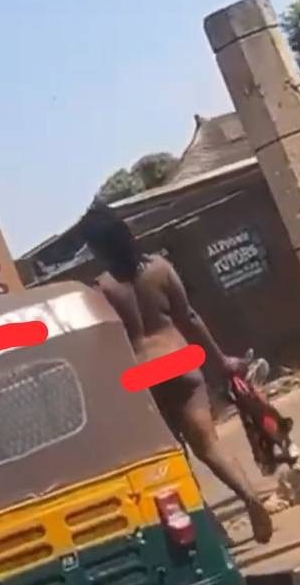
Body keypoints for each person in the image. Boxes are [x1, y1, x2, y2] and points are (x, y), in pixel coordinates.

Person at [78, 202, 273, 544]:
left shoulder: (102, 288)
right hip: (180, 360)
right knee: (209, 445)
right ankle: (250, 497)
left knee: (175, 459)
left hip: (142, 374)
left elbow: (102, 341)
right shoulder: (160, 269)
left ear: (96, 247)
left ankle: (215, 532)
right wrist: (221, 359)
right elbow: (190, 317)